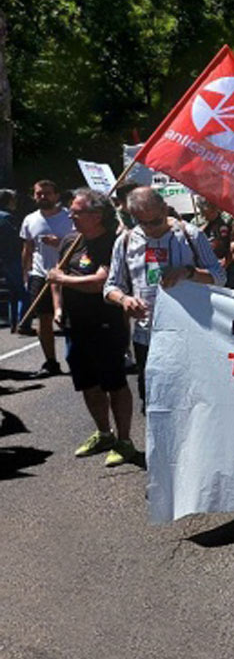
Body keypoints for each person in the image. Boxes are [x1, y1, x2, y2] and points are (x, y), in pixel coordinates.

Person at [104, 187, 225, 408]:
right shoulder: (125, 241)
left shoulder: (191, 235)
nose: (151, 229)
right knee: (151, 402)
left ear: (164, 208)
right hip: (147, 337)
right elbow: (111, 286)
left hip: (191, 334)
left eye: (156, 221)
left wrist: (189, 272)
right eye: (144, 223)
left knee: (190, 402)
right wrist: (124, 300)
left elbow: (219, 276)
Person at [44, 189, 136, 466]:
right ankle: (103, 433)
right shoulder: (71, 240)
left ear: (96, 215)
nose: (70, 214)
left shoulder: (113, 242)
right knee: (87, 382)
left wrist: (63, 279)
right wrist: (58, 307)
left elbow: (100, 283)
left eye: (77, 211)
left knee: (114, 382)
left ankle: (124, 440)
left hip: (106, 323)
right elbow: (55, 280)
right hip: (75, 324)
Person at [19, 179, 74, 376]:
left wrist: (60, 243)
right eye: (39, 194)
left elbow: (81, 244)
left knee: (70, 318)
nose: (43, 197)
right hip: (40, 274)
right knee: (44, 319)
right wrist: (25, 272)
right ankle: (51, 362)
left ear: (56, 196)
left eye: (47, 193)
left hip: (68, 273)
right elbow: (28, 247)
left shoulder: (70, 217)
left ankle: (76, 358)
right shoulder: (30, 219)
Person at [192, 195, 234, 289]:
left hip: (227, 265)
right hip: (207, 266)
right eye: (203, 212)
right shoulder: (196, 222)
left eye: (211, 210)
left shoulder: (227, 220)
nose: (205, 215)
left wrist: (226, 261)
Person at [0, 188, 29, 331]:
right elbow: (16, 239)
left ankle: (13, 323)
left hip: (4, 258)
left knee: (13, 292)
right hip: (12, 257)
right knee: (24, 291)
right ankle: (23, 322)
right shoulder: (7, 218)